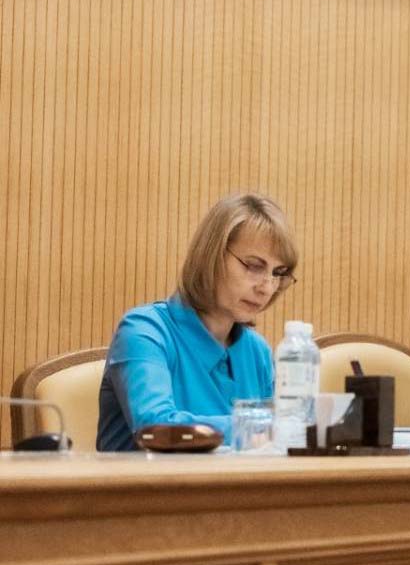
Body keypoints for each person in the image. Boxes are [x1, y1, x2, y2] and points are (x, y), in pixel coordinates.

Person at [96, 193, 299, 451]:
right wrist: (258, 427)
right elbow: (156, 427)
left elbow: (279, 441)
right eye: (253, 266)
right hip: (150, 478)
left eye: (277, 273)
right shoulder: (144, 331)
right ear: (211, 256)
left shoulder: (257, 352)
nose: (267, 287)